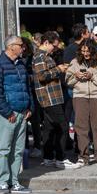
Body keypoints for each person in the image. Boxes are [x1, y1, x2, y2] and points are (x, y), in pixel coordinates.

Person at [0, 35, 32, 193]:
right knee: (4, 148)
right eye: (21, 45)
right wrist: (7, 112)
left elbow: (27, 87)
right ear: (11, 46)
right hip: (7, 113)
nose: (23, 48)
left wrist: (29, 108)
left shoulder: (20, 64)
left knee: (18, 149)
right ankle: (2, 181)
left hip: (22, 112)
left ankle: (14, 181)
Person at [65, 39, 97, 168]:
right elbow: (68, 81)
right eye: (83, 50)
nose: (85, 53)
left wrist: (92, 76)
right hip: (80, 96)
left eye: (88, 50)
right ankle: (83, 156)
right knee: (81, 127)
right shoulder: (74, 62)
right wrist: (76, 76)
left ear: (93, 50)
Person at [31, 33, 68, 169]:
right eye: (53, 45)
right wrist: (58, 69)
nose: (55, 48)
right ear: (46, 42)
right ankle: (60, 159)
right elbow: (41, 76)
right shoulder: (40, 56)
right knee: (62, 127)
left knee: (49, 128)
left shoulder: (45, 56)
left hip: (53, 97)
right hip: (49, 98)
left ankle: (48, 158)